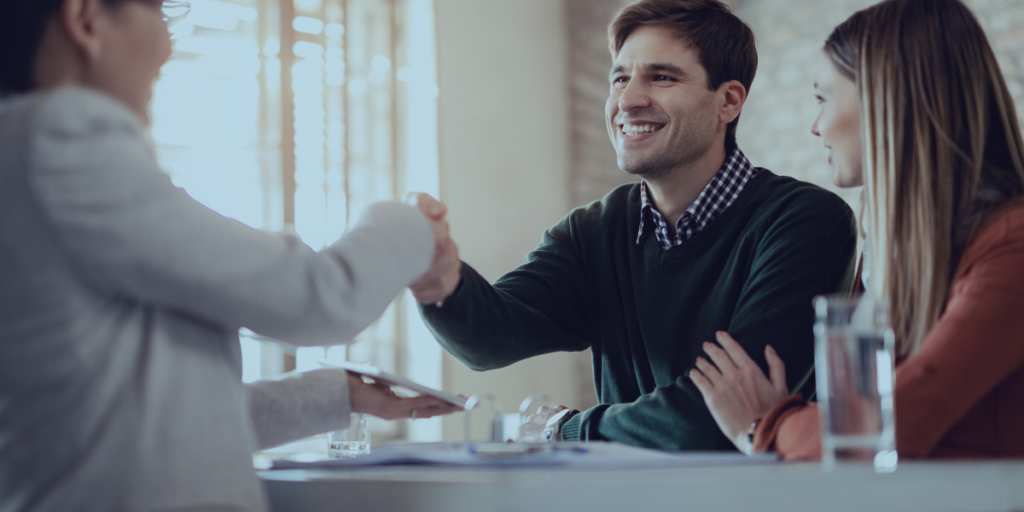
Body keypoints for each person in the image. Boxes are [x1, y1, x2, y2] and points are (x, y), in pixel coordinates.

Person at [0, 0, 460, 510]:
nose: (169, 47)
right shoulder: (60, 138)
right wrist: (413, 220)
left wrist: (338, 395)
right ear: (86, 19)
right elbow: (321, 298)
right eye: (160, 15)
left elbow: (152, 425)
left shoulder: (24, 159)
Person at [409, 0, 858, 450]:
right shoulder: (593, 232)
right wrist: (438, 279)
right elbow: (489, 338)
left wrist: (566, 428)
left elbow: (714, 420)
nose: (628, 100)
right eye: (620, 78)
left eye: (661, 77)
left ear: (728, 101)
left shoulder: (806, 223)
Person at [690, 0, 1024, 459]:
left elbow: (888, 424)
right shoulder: (890, 255)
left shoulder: (1012, 244)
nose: (815, 126)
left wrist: (763, 426)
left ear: (887, 97)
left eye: (823, 99)